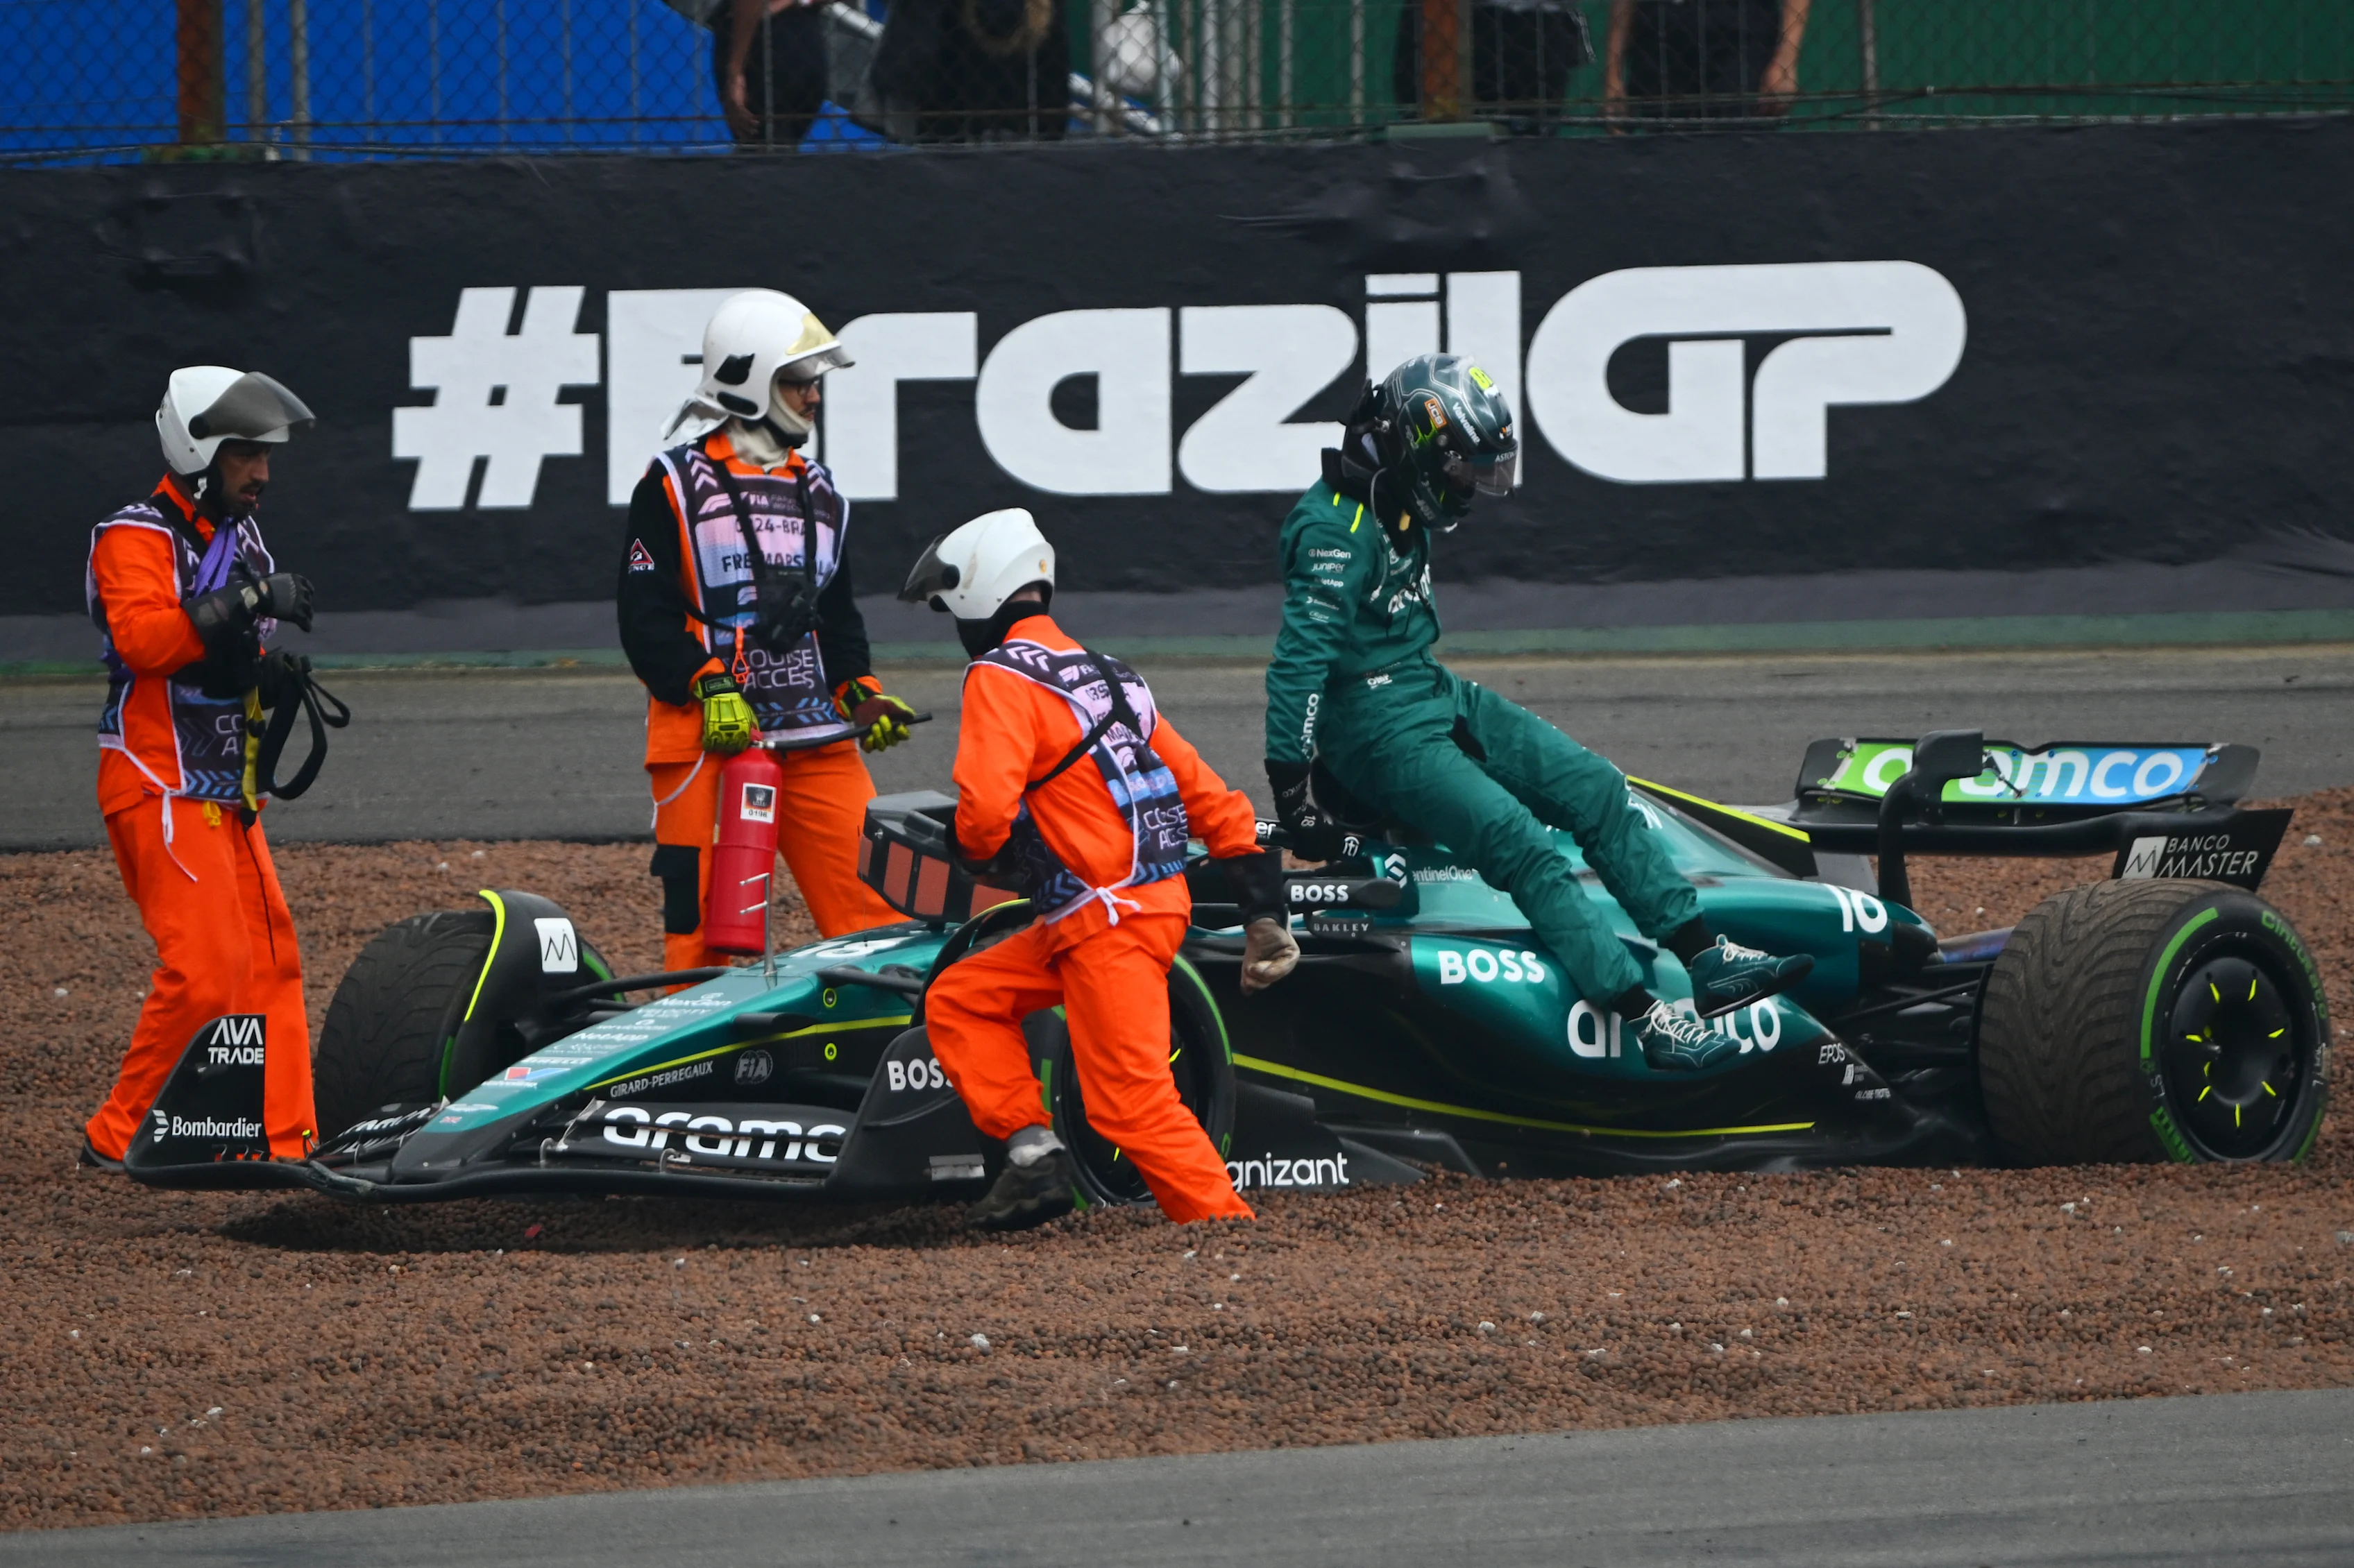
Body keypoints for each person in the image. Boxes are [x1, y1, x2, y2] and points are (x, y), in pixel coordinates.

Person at [1260, 354, 1812, 1074]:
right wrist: (1291, 789)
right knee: (1520, 843)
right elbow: (1297, 666)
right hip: (1371, 731)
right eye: (1461, 471)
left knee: (1594, 786)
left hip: (1428, 690)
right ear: (1415, 450)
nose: (1469, 489)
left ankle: (1704, 955)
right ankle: (1643, 1014)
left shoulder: (1395, 492)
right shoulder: (1332, 532)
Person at [899, 508, 1299, 1230]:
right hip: (1128, 908)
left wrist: (968, 849)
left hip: (1105, 920)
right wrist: (1261, 909)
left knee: (1129, 1102)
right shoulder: (1113, 679)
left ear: (977, 597)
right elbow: (1204, 793)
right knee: (963, 998)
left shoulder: (1000, 676)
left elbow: (984, 815)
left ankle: (1232, 1236)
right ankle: (1032, 1157)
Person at [617, 289, 915, 971]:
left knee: (884, 920)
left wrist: (860, 691)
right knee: (704, 941)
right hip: (705, 738)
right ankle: (692, 1076)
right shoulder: (669, 484)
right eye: (796, 381)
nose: (813, 397)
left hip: (815, 739)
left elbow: (836, 617)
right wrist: (706, 682)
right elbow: (644, 614)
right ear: (747, 381)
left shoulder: (823, 491)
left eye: (814, 383)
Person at [81, 367, 323, 1170]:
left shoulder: (244, 539)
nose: (261, 471)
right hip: (155, 783)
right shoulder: (133, 535)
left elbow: (224, 658)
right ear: (198, 451)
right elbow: (145, 642)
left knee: (273, 959)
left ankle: (283, 1138)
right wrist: (253, 605)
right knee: (207, 972)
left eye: (264, 454)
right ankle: (118, 1135)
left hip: (226, 792)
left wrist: (269, 674)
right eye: (244, 453)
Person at [1604, 0, 1811, 119]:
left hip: (1739, 34)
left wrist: (1786, 59)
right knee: (1664, 153)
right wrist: (1613, 75)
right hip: (1662, 37)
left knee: (1735, 148)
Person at [715, 0, 831, 147]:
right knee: (779, 150)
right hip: (808, 40)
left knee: (759, 150)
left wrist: (735, 73)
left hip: (764, 44)